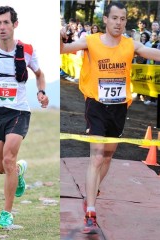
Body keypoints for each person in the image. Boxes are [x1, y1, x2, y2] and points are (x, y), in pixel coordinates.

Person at [60, 1, 160, 234]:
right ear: (105, 19)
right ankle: (91, 211)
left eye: (123, 19)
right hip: (95, 104)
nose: (119, 23)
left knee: (107, 156)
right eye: (115, 18)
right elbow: (62, 50)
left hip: (119, 107)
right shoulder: (91, 41)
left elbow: (153, 53)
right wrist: (60, 36)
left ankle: (93, 191)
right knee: (96, 156)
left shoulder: (130, 44)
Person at [0, 6, 49, 229]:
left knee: (8, 159)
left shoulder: (27, 50)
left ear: (15, 24)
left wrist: (41, 92)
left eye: (6, 22)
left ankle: (6, 214)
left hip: (19, 110)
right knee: (0, 167)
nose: (2, 27)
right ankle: (19, 171)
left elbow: (40, 74)